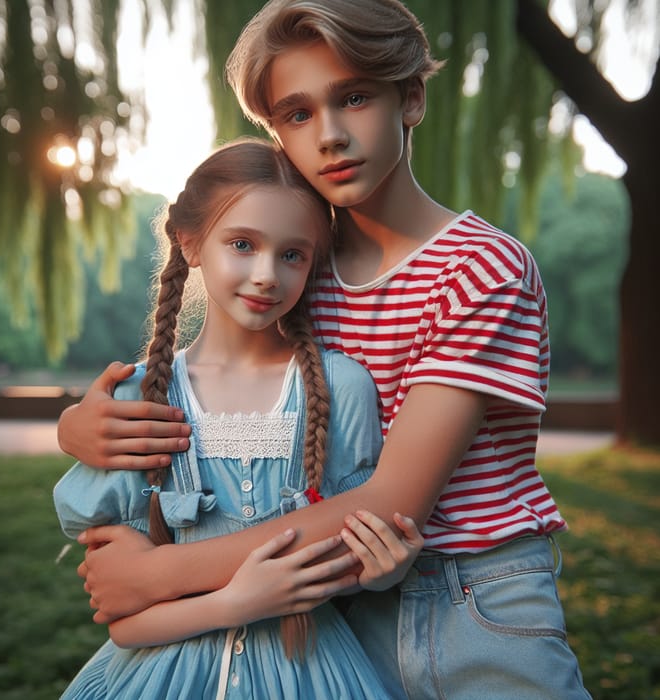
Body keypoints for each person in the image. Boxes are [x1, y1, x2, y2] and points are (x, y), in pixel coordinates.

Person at [58, 1, 592, 697]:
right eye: (297, 114)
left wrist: (159, 575)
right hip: (331, 611)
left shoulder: (479, 270)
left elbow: (391, 499)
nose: (331, 136)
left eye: (355, 98)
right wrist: (82, 429)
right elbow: (221, 386)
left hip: (470, 604)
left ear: (413, 98)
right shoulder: (298, 269)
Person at [54, 137, 423, 699]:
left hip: (312, 673)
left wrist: (384, 570)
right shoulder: (137, 400)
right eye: (243, 244)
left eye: (292, 254)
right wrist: (237, 603)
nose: (267, 274)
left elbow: (351, 563)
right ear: (192, 242)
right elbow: (123, 620)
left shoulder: (340, 387)